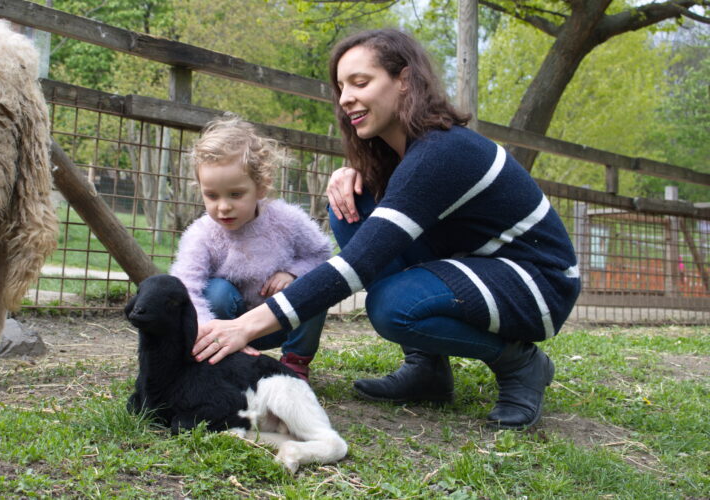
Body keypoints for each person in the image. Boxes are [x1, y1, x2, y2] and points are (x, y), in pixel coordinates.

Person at [192, 29, 581, 430]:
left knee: (393, 306)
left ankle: (520, 363)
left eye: (360, 82)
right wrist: (354, 173)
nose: (345, 98)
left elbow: (358, 265)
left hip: (539, 284)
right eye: (341, 87)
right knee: (351, 209)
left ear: (405, 81)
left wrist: (245, 326)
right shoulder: (402, 156)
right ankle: (427, 369)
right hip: (480, 266)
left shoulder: (443, 151)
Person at [170, 115, 331, 381]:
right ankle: (225, 359)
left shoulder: (286, 220)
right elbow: (186, 287)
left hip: (279, 320)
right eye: (211, 195)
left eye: (235, 194)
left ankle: (294, 363)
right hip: (225, 325)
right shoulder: (202, 234)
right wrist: (207, 332)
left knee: (317, 284)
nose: (223, 206)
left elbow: (321, 255)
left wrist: (292, 273)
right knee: (217, 291)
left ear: (261, 187)